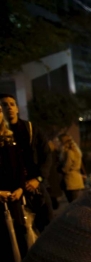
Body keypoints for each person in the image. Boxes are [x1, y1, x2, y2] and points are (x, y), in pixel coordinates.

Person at [0, 93, 52, 233]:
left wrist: (38, 179)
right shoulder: (2, 134)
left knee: (45, 224)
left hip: (34, 187)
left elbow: (46, 156)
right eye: (4, 105)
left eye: (12, 104)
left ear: (17, 108)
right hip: (11, 192)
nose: (8, 108)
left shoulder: (30, 129)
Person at [0, 107, 28, 262]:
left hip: (14, 196)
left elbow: (20, 167)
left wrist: (20, 188)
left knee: (19, 232)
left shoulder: (9, 138)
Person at [59, 133, 85, 202]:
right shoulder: (76, 151)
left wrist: (61, 170)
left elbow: (67, 166)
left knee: (73, 202)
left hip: (71, 179)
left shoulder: (69, 152)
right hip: (77, 178)